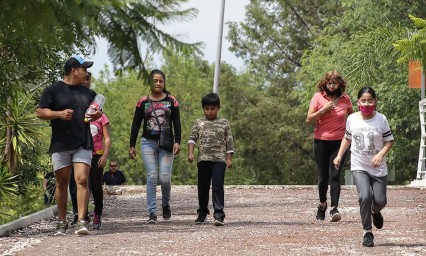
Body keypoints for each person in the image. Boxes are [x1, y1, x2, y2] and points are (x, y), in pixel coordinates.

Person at [36, 55, 101, 236]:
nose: (86, 73)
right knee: (62, 183)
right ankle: (62, 222)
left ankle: (81, 221)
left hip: (83, 143)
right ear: (74, 70)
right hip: (60, 143)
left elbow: (97, 113)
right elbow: (40, 112)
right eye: (84, 69)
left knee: (81, 180)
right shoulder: (53, 90)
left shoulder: (89, 93)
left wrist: (96, 116)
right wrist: (59, 114)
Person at [333, 87, 394, 247]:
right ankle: (367, 231)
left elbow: (389, 141)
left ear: (375, 102)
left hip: (378, 167)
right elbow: (347, 138)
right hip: (359, 165)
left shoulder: (381, 119)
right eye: (363, 101)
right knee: (364, 196)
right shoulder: (352, 118)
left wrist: (380, 155)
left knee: (380, 201)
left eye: (370, 101)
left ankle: (375, 211)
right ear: (358, 102)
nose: (367, 103)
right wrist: (339, 155)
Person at [129, 69, 181, 224]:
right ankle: (152, 212)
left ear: (164, 83)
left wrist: (178, 141)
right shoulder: (143, 102)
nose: (158, 83)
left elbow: (177, 123)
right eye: (155, 80)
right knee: (152, 176)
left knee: (164, 178)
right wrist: (132, 145)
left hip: (166, 143)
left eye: (161, 81)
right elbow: (136, 124)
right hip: (148, 143)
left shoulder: (172, 101)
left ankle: (165, 204)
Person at [306, 70, 353, 222]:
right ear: (325, 84)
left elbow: (352, 117)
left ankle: (334, 208)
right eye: (329, 83)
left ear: (340, 84)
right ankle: (322, 204)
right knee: (323, 178)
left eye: (334, 83)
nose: (332, 86)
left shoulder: (345, 99)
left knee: (335, 175)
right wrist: (323, 110)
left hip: (339, 142)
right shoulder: (318, 97)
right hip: (321, 141)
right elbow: (309, 119)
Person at [188, 93, 234, 226]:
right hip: (203, 159)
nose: (209, 111)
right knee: (203, 186)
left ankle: (219, 214)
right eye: (206, 108)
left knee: (218, 186)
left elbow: (229, 142)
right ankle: (202, 212)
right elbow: (192, 138)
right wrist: (190, 153)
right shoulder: (199, 122)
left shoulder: (224, 123)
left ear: (218, 108)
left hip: (219, 160)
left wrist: (229, 158)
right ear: (203, 109)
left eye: (212, 108)